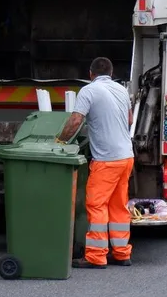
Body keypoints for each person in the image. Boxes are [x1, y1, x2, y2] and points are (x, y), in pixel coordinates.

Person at [56, 57, 134, 269]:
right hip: (126, 156)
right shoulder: (121, 90)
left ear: (91, 74)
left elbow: (75, 121)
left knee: (97, 205)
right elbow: (129, 120)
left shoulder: (88, 91)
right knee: (119, 205)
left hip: (107, 160)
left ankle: (96, 255)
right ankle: (121, 253)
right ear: (111, 72)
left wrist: (60, 140)